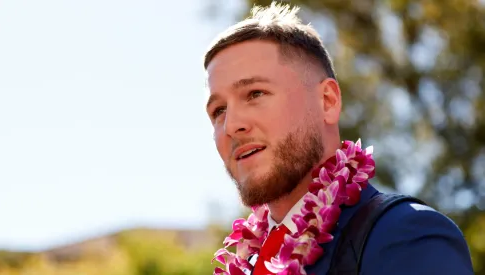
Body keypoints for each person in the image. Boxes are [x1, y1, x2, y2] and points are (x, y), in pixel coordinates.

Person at [203, 2, 474, 275]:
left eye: (255, 94)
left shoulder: (406, 238)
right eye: (219, 110)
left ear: (327, 101)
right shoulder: (249, 263)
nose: (231, 125)